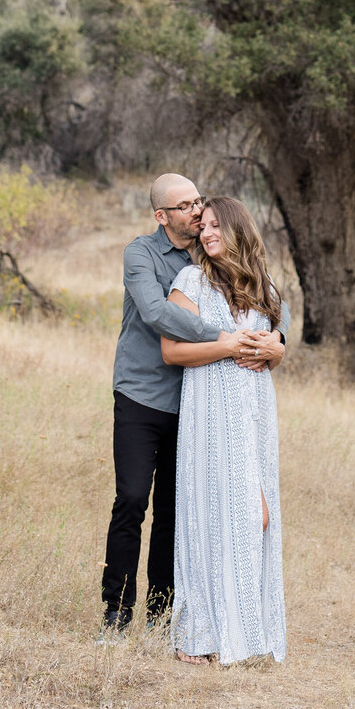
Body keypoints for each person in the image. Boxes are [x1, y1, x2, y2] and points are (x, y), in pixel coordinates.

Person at [100, 174, 284, 633]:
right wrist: (226, 340)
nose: (198, 212)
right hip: (142, 394)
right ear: (161, 216)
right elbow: (158, 313)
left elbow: (250, 299)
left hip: (195, 403)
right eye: (185, 206)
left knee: (175, 510)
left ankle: (163, 616)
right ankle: (116, 612)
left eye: (199, 202)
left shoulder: (209, 252)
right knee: (132, 499)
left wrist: (278, 340)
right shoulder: (140, 254)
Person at [161, 195, 289, 665]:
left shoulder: (261, 287)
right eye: (204, 226)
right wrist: (227, 343)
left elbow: (277, 340)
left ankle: (244, 632)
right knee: (215, 515)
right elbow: (172, 351)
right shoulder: (191, 280)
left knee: (258, 516)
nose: (208, 232)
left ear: (238, 229)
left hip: (253, 411)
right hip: (211, 409)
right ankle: (199, 636)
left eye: (217, 225)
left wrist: (274, 350)